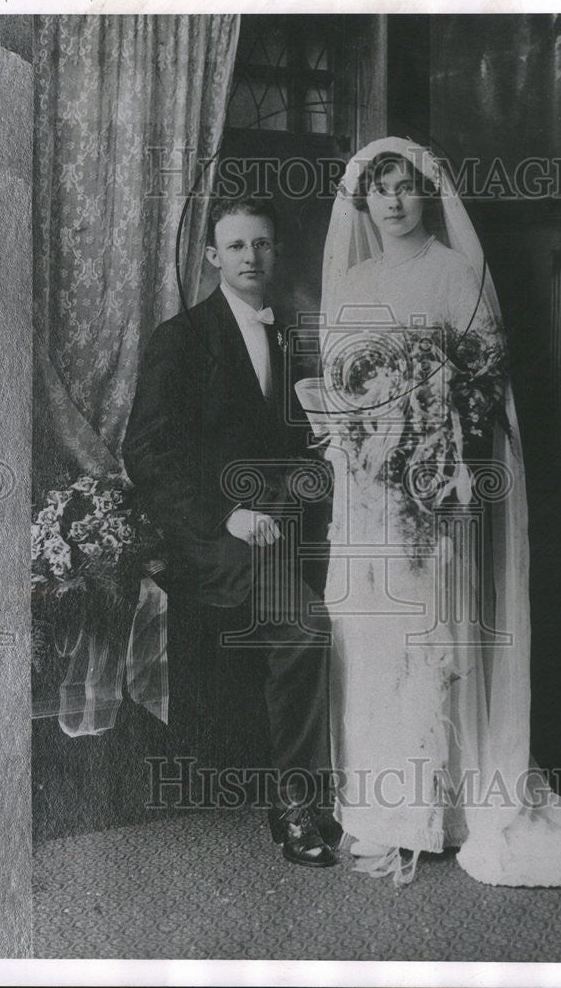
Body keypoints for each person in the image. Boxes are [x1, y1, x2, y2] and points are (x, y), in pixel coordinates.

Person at [300, 137, 561, 886]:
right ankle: (381, 807)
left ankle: (446, 806)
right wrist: (361, 426)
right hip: (369, 495)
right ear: (364, 202)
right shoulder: (355, 279)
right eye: (381, 189)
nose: (394, 201)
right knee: (372, 639)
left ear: (428, 195)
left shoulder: (455, 273)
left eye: (407, 187)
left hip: (435, 493)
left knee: (432, 637)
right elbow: (337, 380)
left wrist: (429, 432)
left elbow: (485, 382)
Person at [123, 196, 337, 868]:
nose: (252, 257)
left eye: (263, 245)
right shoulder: (183, 337)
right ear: (213, 256)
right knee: (304, 625)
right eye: (238, 246)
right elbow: (150, 450)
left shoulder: (291, 334)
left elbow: (296, 441)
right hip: (214, 534)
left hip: (285, 524)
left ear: (276, 254)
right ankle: (293, 802)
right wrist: (226, 516)